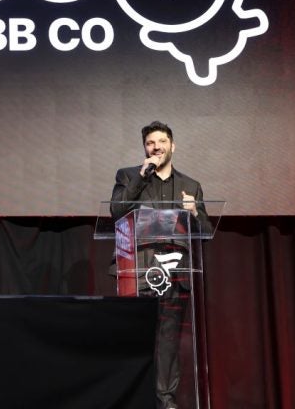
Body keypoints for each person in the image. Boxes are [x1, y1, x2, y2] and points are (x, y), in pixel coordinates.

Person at [109, 120, 208, 409]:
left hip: (176, 272)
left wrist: (194, 212)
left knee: (168, 341)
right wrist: (141, 177)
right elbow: (116, 211)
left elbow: (205, 232)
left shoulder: (191, 186)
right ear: (145, 148)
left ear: (172, 146)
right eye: (151, 143)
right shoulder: (129, 176)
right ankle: (134, 398)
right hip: (138, 270)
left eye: (162, 141)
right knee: (135, 336)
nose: (156, 147)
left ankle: (166, 402)